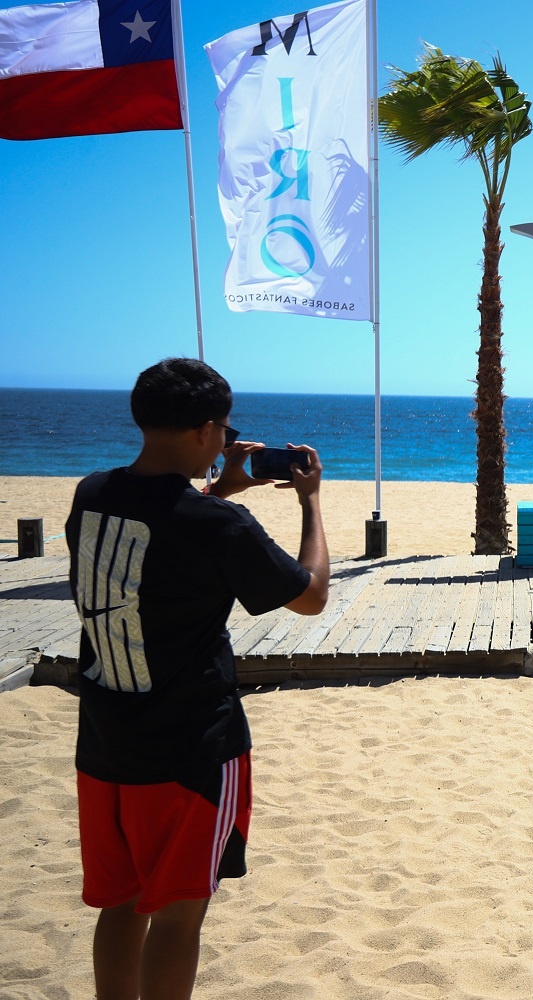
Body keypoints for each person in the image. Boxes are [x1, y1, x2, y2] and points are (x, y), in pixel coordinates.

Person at [64, 358, 329, 1000]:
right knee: (179, 917)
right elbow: (311, 595)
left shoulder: (92, 495)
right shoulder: (219, 527)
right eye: (225, 430)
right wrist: (311, 502)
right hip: (189, 751)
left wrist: (221, 490)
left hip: (104, 743)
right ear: (207, 430)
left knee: (122, 902)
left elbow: (160, 533)